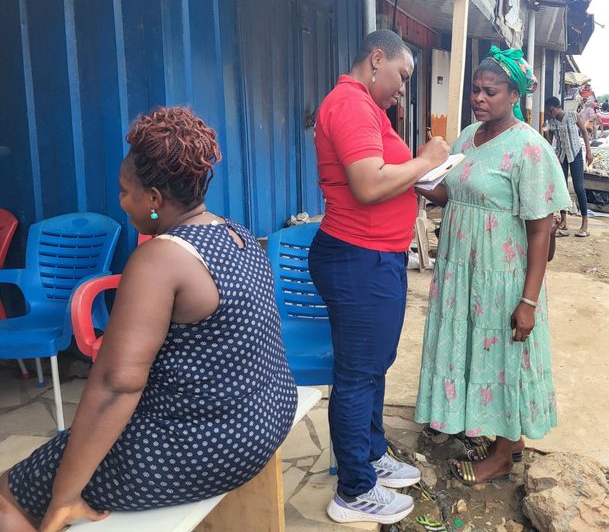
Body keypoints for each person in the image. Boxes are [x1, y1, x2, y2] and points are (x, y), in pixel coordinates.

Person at [0, 107, 298, 532]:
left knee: (9, 496)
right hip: (265, 418)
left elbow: (115, 385)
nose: (121, 202)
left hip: (201, 449)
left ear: (154, 199)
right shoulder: (238, 233)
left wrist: (65, 495)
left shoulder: (160, 258)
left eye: (125, 192)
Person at [310, 29, 450, 525]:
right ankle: (354, 489)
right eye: (402, 76)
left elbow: (385, 175)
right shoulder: (349, 104)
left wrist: (424, 173)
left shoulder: (368, 109)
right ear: (376, 60)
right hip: (357, 256)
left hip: (374, 257)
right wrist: (426, 161)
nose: (402, 89)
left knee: (374, 366)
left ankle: (368, 453)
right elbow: (367, 184)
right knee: (357, 374)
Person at [414, 47, 570, 486]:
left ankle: (504, 455)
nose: (479, 98)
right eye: (475, 90)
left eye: (490, 91)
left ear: (513, 95)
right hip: (460, 268)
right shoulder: (466, 137)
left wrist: (528, 300)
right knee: (474, 352)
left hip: (502, 275)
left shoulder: (530, 149)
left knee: (505, 357)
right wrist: (416, 178)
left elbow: (540, 230)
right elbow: (453, 194)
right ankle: (502, 436)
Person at [546, 96, 593, 238]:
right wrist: (547, 132)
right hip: (561, 157)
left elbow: (584, 132)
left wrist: (589, 152)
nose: (550, 113)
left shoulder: (572, 115)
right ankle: (564, 222)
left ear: (558, 106)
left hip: (576, 153)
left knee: (579, 187)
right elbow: (549, 143)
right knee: (562, 188)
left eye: (551, 110)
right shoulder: (551, 122)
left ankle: (584, 223)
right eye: (549, 111)